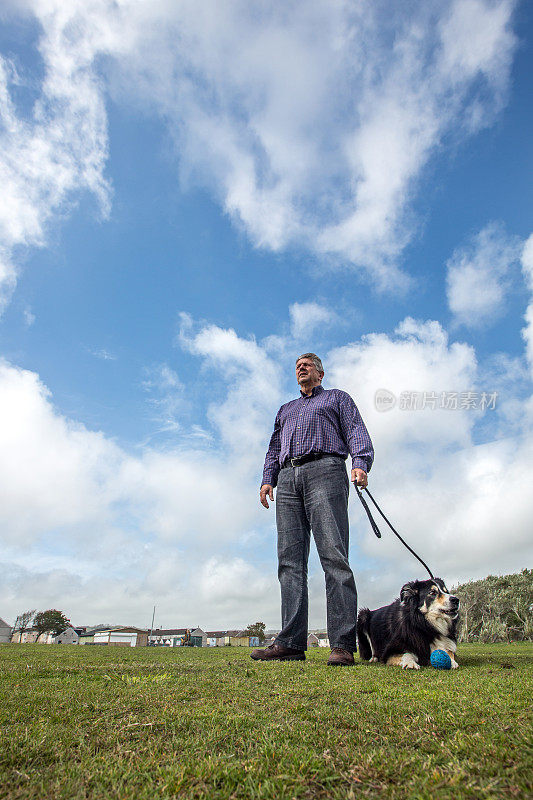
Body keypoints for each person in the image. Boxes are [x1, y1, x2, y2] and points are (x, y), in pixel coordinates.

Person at [251, 353, 374, 666]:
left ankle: (343, 645)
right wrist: (268, 479)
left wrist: (360, 463)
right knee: (289, 561)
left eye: (307, 364)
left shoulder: (337, 398)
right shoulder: (285, 409)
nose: (300, 367)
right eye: (296, 365)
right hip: (288, 479)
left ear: (320, 372)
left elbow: (356, 430)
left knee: (334, 556)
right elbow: (274, 449)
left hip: (326, 470)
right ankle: (290, 643)